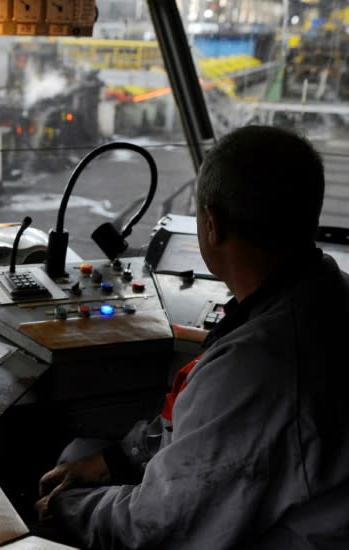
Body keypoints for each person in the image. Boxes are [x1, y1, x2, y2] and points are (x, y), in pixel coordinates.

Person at [35, 125, 349, 548]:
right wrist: (114, 460)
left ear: (212, 225)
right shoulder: (322, 293)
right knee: (81, 453)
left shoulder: (256, 367)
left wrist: (63, 509)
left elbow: (158, 529)